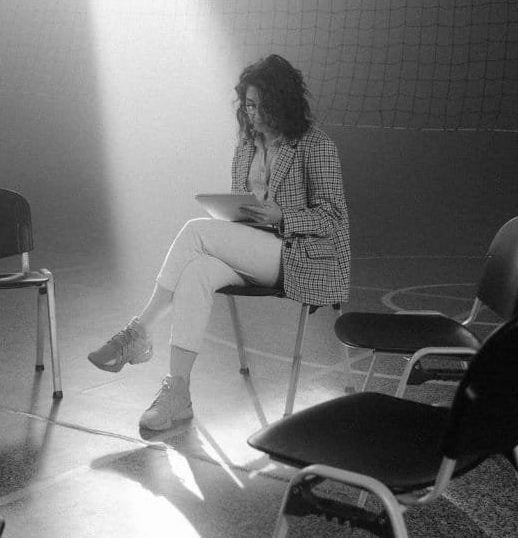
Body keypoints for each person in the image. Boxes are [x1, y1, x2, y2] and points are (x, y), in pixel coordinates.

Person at [87, 54, 351, 431]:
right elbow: (240, 209)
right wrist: (238, 216)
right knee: (195, 271)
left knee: (196, 231)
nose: (254, 115)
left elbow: (334, 218)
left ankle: (138, 332)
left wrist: (283, 217)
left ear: (284, 103)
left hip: (298, 256)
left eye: (263, 106)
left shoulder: (315, 145)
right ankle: (177, 393)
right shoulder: (246, 146)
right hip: (253, 250)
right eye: (249, 105)